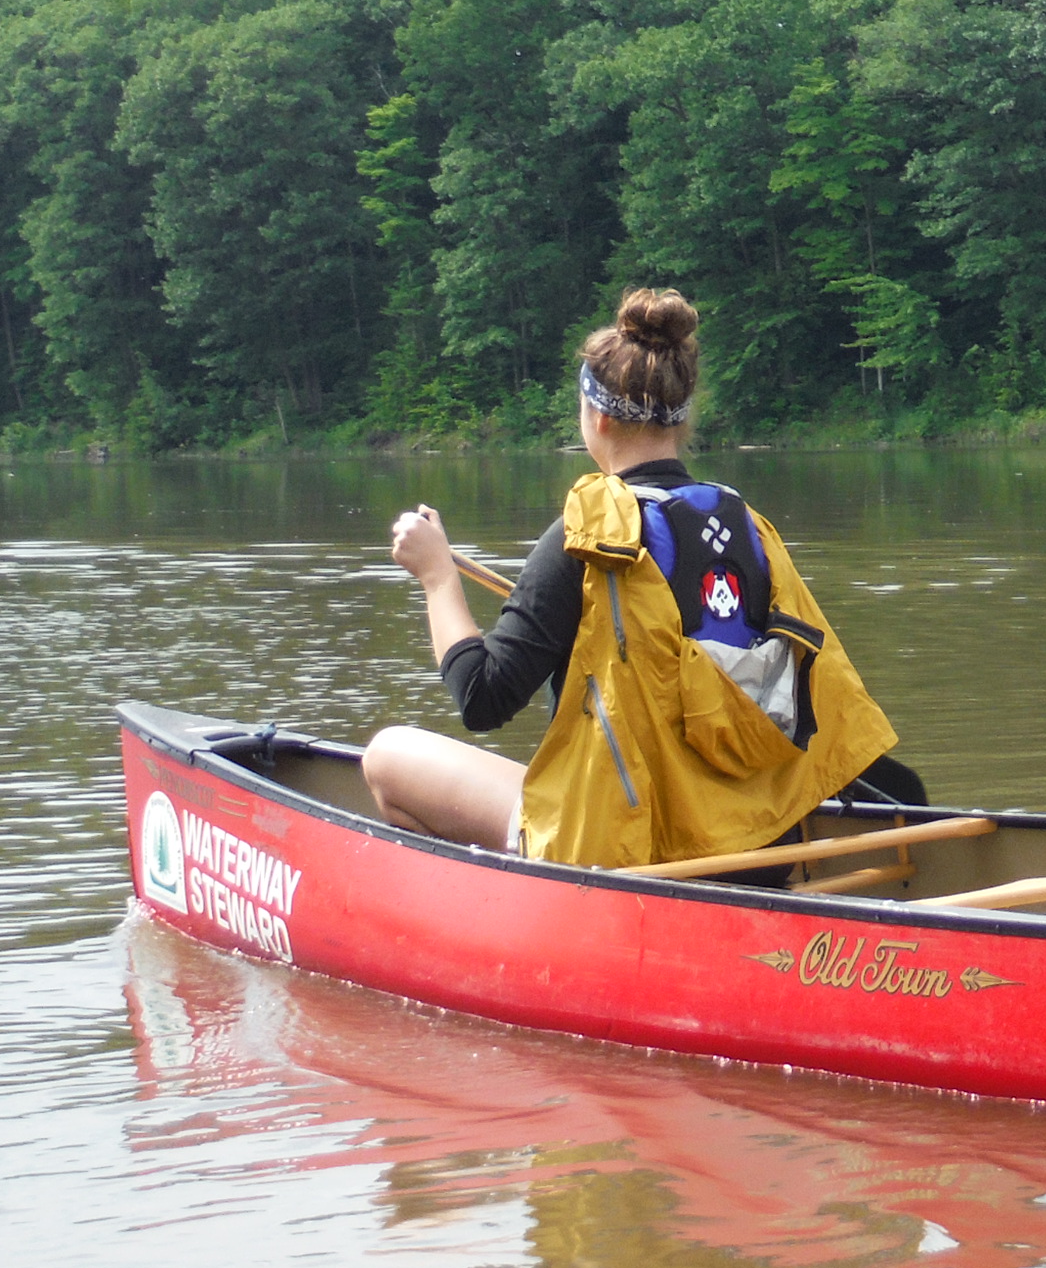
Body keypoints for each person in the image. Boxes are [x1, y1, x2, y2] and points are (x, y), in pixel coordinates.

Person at [361, 288, 907, 867]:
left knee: (386, 756)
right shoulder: (748, 527)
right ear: (684, 414)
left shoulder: (586, 537)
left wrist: (437, 577)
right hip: (751, 833)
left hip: (626, 845)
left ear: (595, 415)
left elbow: (481, 697)